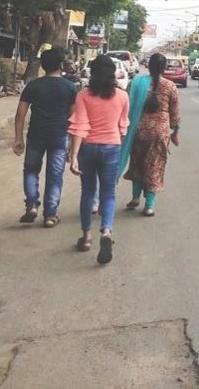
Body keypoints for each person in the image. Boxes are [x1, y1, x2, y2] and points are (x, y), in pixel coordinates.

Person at [68, 55, 129, 264]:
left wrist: (73, 155)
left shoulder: (83, 96)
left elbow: (80, 126)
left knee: (88, 192)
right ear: (113, 73)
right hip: (112, 147)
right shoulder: (122, 97)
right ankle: (106, 232)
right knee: (108, 194)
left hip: (87, 148)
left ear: (92, 73)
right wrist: (115, 145)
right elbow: (123, 128)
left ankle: (86, 238)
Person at [13, 47, 78, 227]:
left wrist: (18, 139)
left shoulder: (33, 86)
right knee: (55, 174)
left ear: (43, 66)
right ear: (60, 65)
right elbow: (74, 120)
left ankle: (32, 205)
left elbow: (20, 115)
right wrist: (73, 147)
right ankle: (50, 215)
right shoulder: (70, 87)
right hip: (59, 136)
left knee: (31, 169)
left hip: (36, 135)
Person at [120, 53, 180, 217]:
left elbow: (127, 104)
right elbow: (174, 113)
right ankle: (149, 205)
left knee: (137, 163)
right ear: (164, 68)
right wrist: (175, 131)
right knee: (154, 167)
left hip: (138, 131)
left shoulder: (137, 83)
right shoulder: (170, 86)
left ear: (148, 66)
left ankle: (135, 197)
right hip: (159, 134)